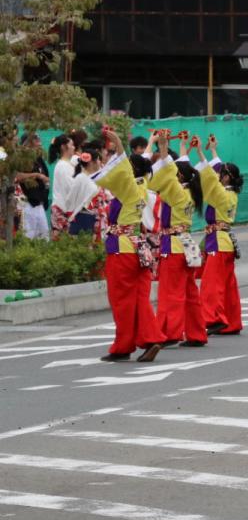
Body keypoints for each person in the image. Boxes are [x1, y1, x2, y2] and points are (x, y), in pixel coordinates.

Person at [90, 129, 166, 363]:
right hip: (138, 247)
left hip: (122, 249)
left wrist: (119, 145)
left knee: (122, 300)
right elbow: (132, 169)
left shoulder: (130, 189)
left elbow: (121, 170)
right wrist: (157, 145)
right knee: (138, 299)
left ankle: (125, 345)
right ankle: (146, 338)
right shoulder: (144, 187)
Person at [147, 131, 208, 349]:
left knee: (170, 292)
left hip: (172, 245)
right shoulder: (191, 193)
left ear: (179, 177)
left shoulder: (176, 192)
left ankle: (169, 332)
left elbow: (166, 171)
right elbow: (176, 168)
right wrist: (184, 147)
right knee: (190, 293)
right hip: (187, 244)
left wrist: (163, 148)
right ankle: (197, 333)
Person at [194, 136, 243, 336]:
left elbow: (209, 178)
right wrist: (213, 151)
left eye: (221, 174)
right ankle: (232, 322)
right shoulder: (231, 194)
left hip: (218, 243)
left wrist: (199, 153)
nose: (218, 175)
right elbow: (214, 175)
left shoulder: (220, 194)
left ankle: (213, 319)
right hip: (226, 243)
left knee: (211, 285)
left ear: (226, 177)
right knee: (228, 285)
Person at [14, 133, 50, 240]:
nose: (39, 142)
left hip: (39, 203)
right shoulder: (21, 159)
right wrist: (36, 175)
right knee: (27, 238)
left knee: (44, 238)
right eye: (36, 139)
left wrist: (46, 182)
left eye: (39, 139)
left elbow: (46, 177)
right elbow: (17, 176)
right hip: (27, 203)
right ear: (28, 143)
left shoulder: (38, 159)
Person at [48, 133, 76, 239]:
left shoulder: (67, 164)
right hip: (63, 210)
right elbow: (71, 188)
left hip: (66, 209)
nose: (74, 147)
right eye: (72, 145)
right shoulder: (63, 166)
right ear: (64, 147)